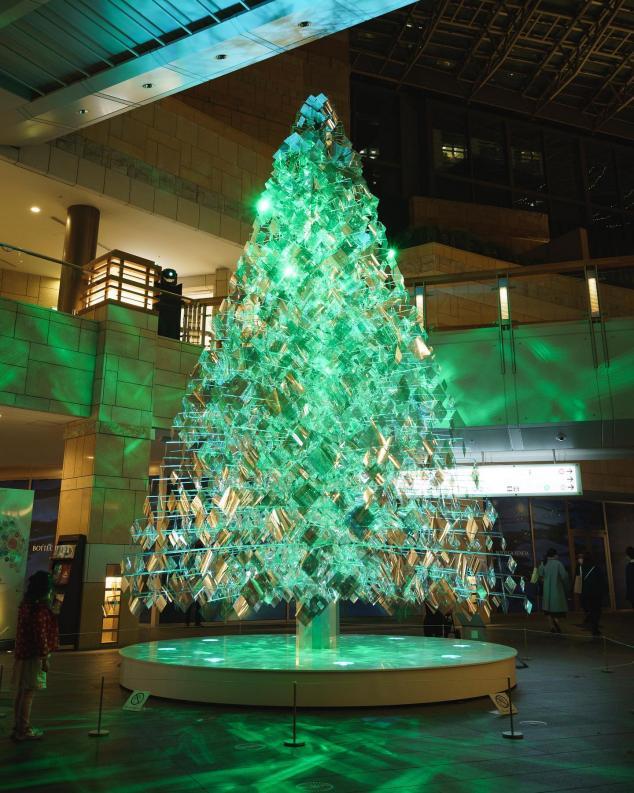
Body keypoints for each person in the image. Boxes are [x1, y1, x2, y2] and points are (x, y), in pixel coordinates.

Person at [11, 571, 58, 741]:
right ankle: (24, 729)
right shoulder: (39, 610)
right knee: (29, 692)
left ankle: (18, 727)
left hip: (23, 653)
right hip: (33, 656)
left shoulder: (26, 606)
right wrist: (44, 658)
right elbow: (41, 635)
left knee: (22, 691)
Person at [539, 548, 569, 633]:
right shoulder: (558, 564)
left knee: (548, 611)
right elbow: (564, 576)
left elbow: (540, 574)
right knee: (556, 611)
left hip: (546, 591)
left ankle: (551, 626)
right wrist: (567, 586)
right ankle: (556, 623)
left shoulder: (544, 563)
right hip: (557, 590)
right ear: (555, 555)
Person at [579, 552, 605, 637]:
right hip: (596, 593)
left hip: (585, 592)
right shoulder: (596, 568)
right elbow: (602, 580)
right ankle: (595, 627)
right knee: (596, 610)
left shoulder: (581, 568)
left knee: (590, 609)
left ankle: (591, 623)